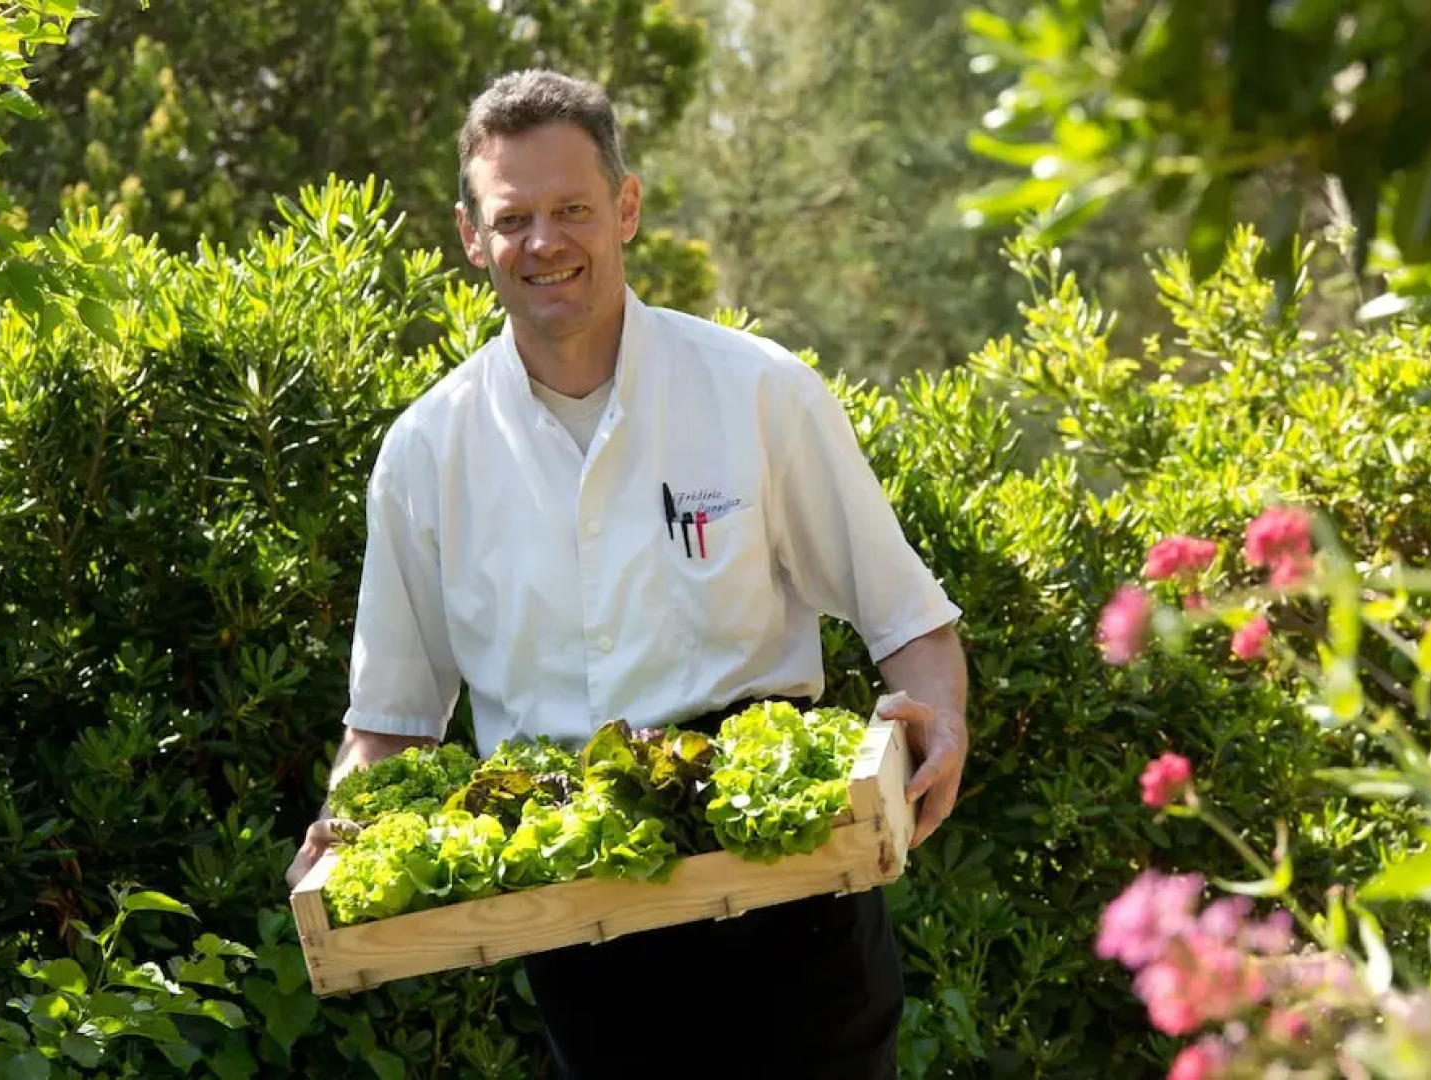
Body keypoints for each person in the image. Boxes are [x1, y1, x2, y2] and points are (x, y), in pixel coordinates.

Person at [284, 68, 969, 1080]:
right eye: (512, 218)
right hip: (578, 917)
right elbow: (390, 719)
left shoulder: (758, 391)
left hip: (793, 903)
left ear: (627, 208)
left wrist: (940, 716)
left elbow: (905, 620)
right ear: (471, 238)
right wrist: (344, 832)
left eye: (571, 209)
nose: (543, 243)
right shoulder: (426, 453)